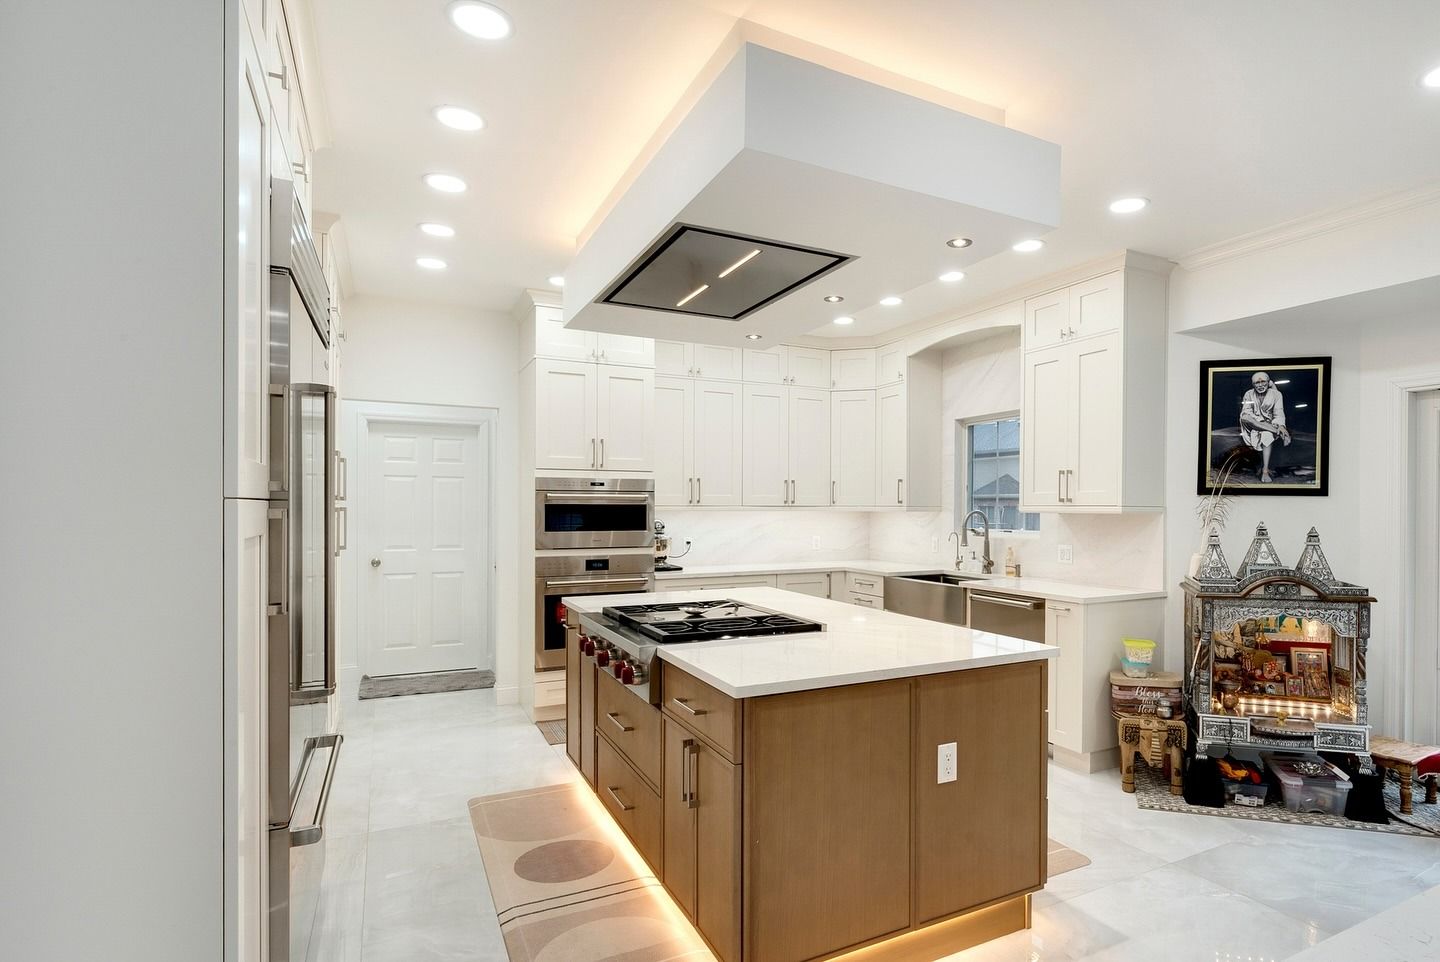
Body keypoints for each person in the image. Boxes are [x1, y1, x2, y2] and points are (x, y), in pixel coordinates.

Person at [1239, 371, 1290, 482]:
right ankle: (1276, 431)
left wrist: (1281, 425)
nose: (1260, 385)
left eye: (1263, 382)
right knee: (1245, 417)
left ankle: (1265, 471)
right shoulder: (1248, 394)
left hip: (1270, 423)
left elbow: (1279, 412)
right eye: (1257, 382)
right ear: (1253, 384)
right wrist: (1262, 422)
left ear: (1268, 382)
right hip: (1252, 424)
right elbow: (1246, 412)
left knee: (1266, 435)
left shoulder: (1276, 394)